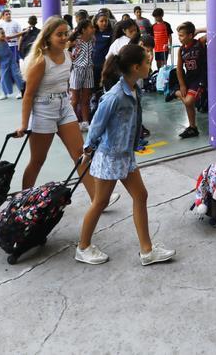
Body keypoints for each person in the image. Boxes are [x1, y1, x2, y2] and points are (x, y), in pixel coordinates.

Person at [76, 43, 174, 266]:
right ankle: (82, 247)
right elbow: (96, 126)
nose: (150, 65)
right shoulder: (115, 96)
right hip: (109, 157)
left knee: (140, 196)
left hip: (125, 156)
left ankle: (147, 251)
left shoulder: (133, 89)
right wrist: (88, 150)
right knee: (100, 202)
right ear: (136, 67)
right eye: (148, 62)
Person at [16, 17, 120, 208]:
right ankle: (22, 201)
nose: (64, 37)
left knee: (81, 154)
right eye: (59, 34)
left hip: (63, 107)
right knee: (38, 160)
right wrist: (24, 124)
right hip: (43, 110)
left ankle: (97, 200)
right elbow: (28, 95)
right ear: (48, 36)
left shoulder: (68, 56)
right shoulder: (41, 61)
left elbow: (64, 85)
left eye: (66, 33)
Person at [174, 22, 208, 139]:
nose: (179, 38)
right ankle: (193, 127)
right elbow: (179, 69)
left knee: (188, 101)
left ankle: (175, 93)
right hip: (189, 79)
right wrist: (182, 85)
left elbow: (213, 31)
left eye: (182, 35)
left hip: (200, 79)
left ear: (190, 35)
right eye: (179, 35)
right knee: (189, 105)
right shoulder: (181, 50)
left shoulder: (200, 43)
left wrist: (197, 30)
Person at [68, 18, 98, 129]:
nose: (93, 29)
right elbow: (64, 48)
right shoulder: (76, 41)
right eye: (91, 27)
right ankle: (71, 123)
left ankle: (85, 122)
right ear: (84, 30)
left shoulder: (92, 39)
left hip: (89, 70)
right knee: (74, 100)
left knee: (86, 99)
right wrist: (68, 53)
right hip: (77, 70)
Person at [0, 29, 24, 100]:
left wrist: (24, 31)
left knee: (17, 74)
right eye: (2, 33)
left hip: (12, 60)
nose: (4, 34)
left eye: (4, 33)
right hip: (3, 62)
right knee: (4, 78)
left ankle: (21, 91)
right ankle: (4, 93)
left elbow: (15, 35)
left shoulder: (5, 38)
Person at [102, 18, 140, 91]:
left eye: (135, 30)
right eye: (131, 31)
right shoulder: (124, 42)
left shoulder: (119, 41)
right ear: (124, 31)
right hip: (118, 73)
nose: (134, 33)